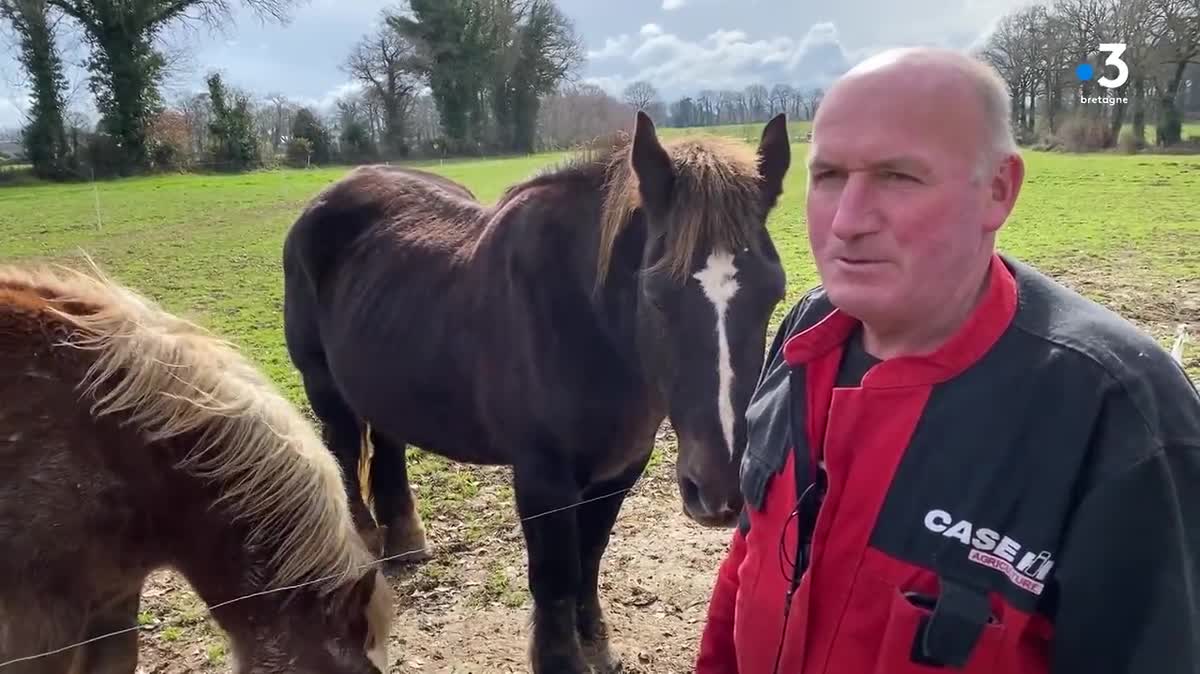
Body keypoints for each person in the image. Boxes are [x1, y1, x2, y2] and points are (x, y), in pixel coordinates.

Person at [693, 46, 1200, 674]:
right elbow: (752, 554)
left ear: (997, 190)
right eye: (827, 177)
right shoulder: (806, 331)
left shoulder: (1119, 414)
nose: (847, 221)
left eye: (897, 177)